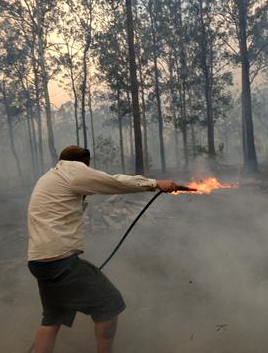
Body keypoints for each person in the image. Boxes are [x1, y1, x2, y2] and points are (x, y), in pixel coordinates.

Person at [27, 145, 178, 353]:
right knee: (109, 304)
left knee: (53, 317)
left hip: (39, 262)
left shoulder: (48, 178)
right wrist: (156, 183)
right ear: (84, 162)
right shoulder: (73, 170)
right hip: (60, 260)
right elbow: (113, 182)